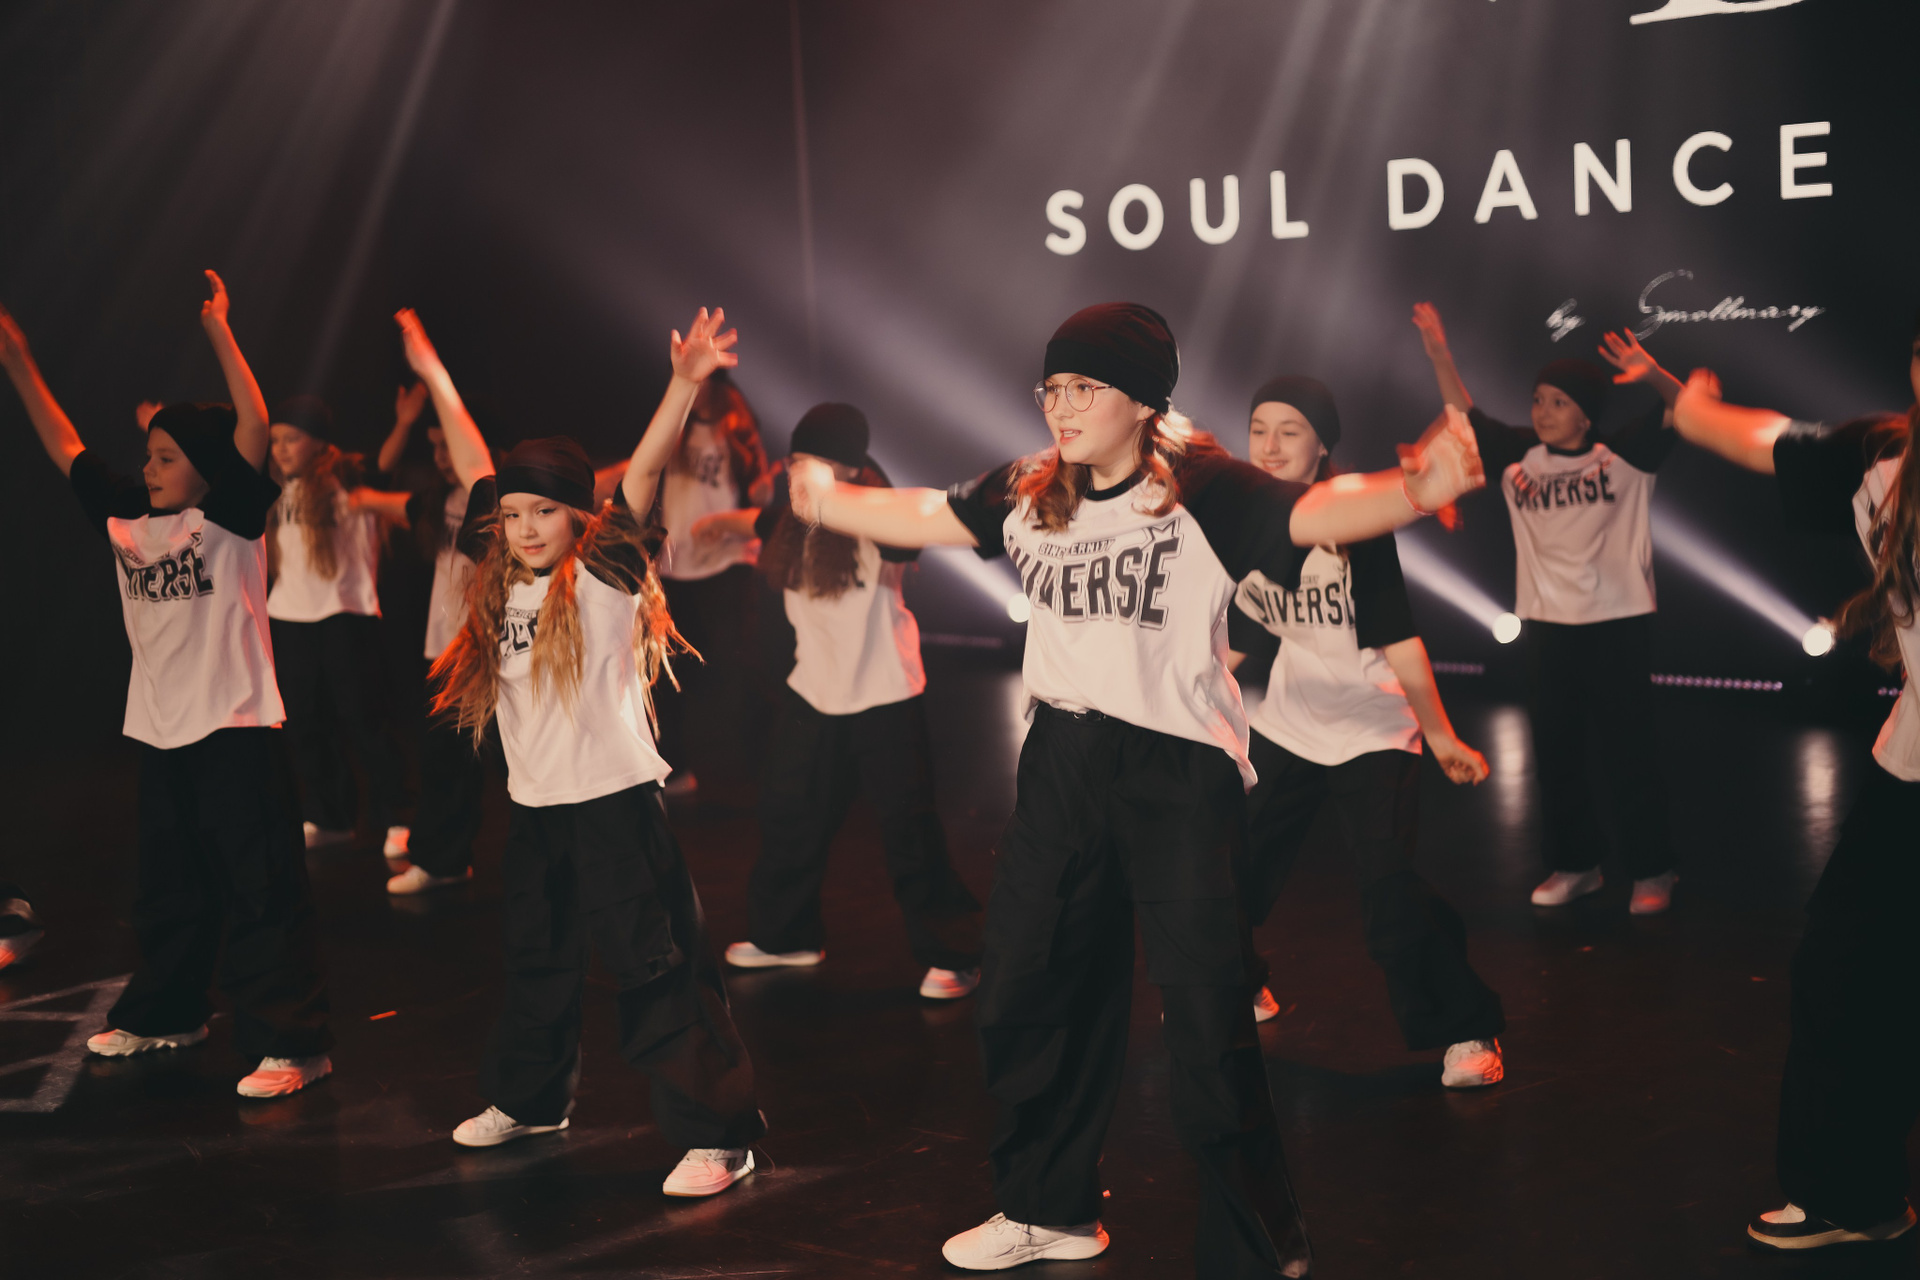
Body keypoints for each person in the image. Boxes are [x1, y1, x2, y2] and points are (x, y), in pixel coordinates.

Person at [787, 302, 1485, 1276]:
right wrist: (821, 497)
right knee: (1026, 986)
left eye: (1086, 387)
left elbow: (1319, 511)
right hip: (1062, 760)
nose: (1062, 406)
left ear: (1144, 400)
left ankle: (1255, 1250)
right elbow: (922, 514)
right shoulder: (1032, 488)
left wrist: (1417, 489)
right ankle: (1049, 1208)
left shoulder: (1202, 487)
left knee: (1206, 1017)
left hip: (1176, 771)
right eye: (1053, 388)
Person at [431, 306, 766, 1199]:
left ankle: (719, 1137)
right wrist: (431, 373)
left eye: (545, 511)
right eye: (513, 514)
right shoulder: (499, 584)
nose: (526, 527)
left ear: (578, 515)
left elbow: (646, 475)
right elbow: (469, 465)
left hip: (612, 805)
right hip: (538, 806)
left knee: (656, 966)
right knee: (537, 961)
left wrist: (684, 383)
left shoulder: (601, 577)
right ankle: (532, 1099)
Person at [0, 272, 332, 1098]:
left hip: (237, 728)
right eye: (148, 456)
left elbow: (252, 424)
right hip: (160, 731)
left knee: (261, 891)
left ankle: (294, 1045)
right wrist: (17, 360)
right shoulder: (126, 517)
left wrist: (219, 327)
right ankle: (170, 1013)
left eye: (166, 457)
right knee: (170, 889)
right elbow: (65, 446)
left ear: (206, 468)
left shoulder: (230, 517)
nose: (148, 468)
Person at [1671, 328, 1920, 1253]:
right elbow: (1762, 436)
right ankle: (1854, 1197)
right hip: (1910, 775)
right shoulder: (1883, 456)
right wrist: (1688, 405)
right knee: (1848, 977)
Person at [1230, 375, 1506, 1089]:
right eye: (1259, 428)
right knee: (1228, 867)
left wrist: (1441, 737)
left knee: (1388, 892)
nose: (1270, 444)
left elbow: (1401, 639)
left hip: (1372, 726)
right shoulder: (1242, 522)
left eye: (1290, 430)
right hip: (1290, 720)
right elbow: (1239, 635)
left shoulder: (1354, 522)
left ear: (1322, 445)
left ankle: (1467, 1027)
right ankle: (1238, 986)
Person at [701, 402, 984, 999]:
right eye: (795, 461)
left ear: (852, 471)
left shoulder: (880, 520)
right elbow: (746, 521)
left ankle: (953, 953)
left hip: (885, 693)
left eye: (816, 464)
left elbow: (924, 519)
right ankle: (787, 937)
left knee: (909, 833)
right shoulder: (787, 519)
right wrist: (707, 528)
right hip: (814, 692)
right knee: (787, 817)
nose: (799, 474)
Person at [1413, 302, 1682, 915]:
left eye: (1558, 402)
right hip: (1549, 627)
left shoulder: (1624, 456)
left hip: (1616, 624)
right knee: (1557, 754)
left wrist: (1656, 375)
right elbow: (1463, 415)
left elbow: (1680, 408)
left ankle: (1653, 870)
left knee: (1629, 753)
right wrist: (1439, 354)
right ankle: (1576, 865)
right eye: (1537, 400)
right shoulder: (1517, 458)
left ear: (1586, 414)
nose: (1542, 411)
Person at [265, 393, 415, 862]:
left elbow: (383, 467)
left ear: (318, 441)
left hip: (343, 614)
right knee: (305, 722)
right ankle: (330, 817)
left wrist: (404, 423)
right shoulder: (274, 488)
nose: (280, 449)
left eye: (292, 439)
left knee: (363, 718)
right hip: (288, 617)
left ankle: (397, 815)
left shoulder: (344, 476)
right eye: (275, 440)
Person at [378, 311, 496, 895]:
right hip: (446, 647)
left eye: (446, 444)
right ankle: (442, 857)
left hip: (485, 650)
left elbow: (479, 468)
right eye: (436, 448)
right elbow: (380, 494)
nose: (442, 456)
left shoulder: (496, 503)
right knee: (445, 758)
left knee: (472, 761)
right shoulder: (437, 501)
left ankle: (445, 855)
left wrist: (430, 369)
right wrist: (353, 498)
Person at [651, 370, 769, 796]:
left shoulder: (736, 429)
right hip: (675, 566)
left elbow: (757, 494)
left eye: (702, 382)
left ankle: (747, 771)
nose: (695, 390)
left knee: (733, 668)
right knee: (671, 672)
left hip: (727, 562)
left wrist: (759, 493)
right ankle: (677, 768)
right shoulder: (674, 429)